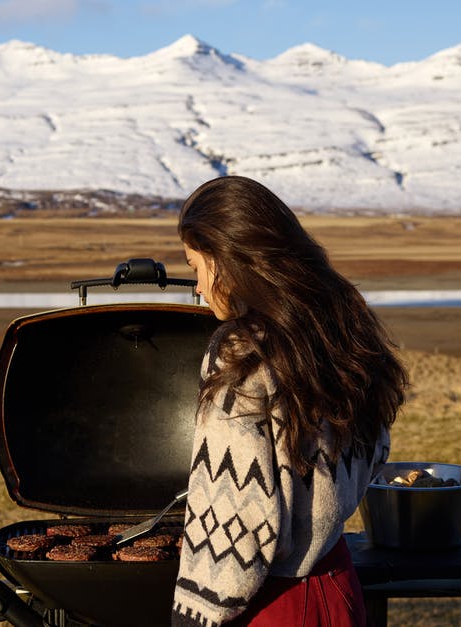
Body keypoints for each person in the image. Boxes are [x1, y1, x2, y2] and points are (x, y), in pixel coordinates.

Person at [171, 176, 408, 627]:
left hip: (267, 605)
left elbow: (236, 511)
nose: (198, 288)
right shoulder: (339, 329)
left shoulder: (241, 353)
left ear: (228, 259)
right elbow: (376, 449)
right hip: (338, 585)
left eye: (196, 267)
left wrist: (195, 612)